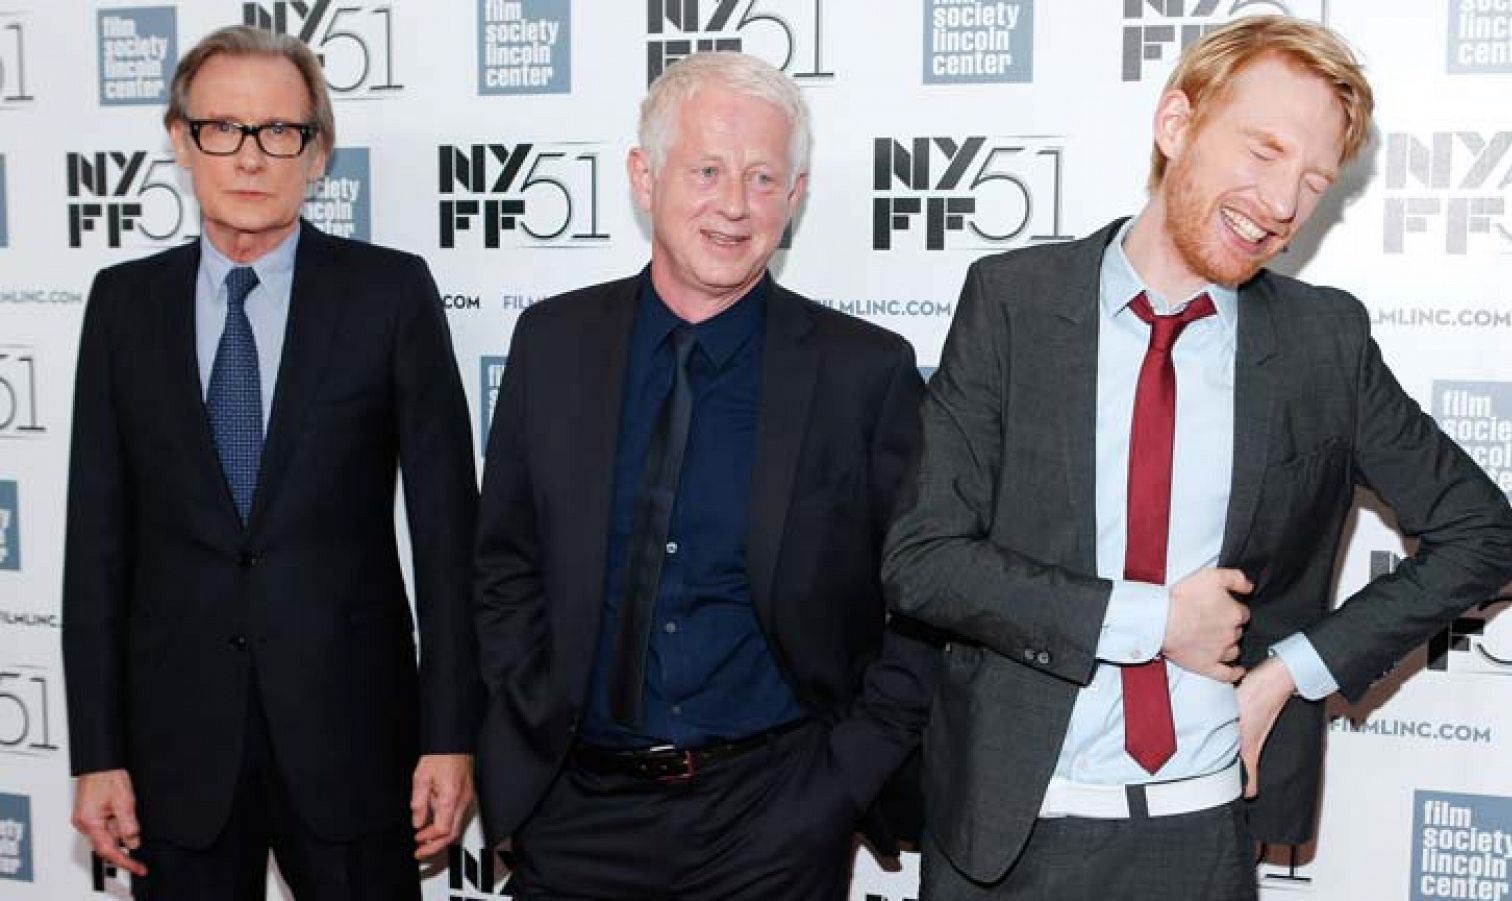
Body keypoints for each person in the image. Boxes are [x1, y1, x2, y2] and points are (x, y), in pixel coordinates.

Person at [881, 16, 1512, 900]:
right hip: (1003, 835)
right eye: (1264, 150)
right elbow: (923, 562)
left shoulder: (1322, 342)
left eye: (1313, 181)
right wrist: (1154, 621)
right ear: (1176, 123)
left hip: (1202, 837)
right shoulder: (1014, 302)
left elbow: (1482, 535)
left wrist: (1292, 671)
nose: (1283, 204)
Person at [474, 51, 936, 900]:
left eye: (764, 178)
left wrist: (841, 782)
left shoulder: (863, 373)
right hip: (575, 815)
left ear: (795, 197)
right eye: (708, 170)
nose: (734, 205)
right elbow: (505, 561)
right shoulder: (553, 344)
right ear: (644, 176)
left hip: (775, 818)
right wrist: (528, 719)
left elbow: (927, 598)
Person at [63, 25, 481, 900]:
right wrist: (97, 752)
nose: (250, 157)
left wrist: (450, 734)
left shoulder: (390, 293)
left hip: (354, 739)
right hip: (175, 752)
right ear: (180, 140)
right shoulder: (122, 305)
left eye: (279, 131)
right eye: (223, 127)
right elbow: (95, 545)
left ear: (316, 151)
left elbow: (449, 539)